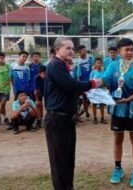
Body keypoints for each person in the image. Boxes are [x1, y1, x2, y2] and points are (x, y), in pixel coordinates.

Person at [44, 37, 100, 190]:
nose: (71, 51)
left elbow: (69, 89)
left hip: (66, 118)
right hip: (57, 119)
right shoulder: (55, 65)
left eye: (72, 48)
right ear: (57, 50)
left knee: (68, 156)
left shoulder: (62, 66)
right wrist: (93, 83)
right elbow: (70, 86)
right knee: (59, 159)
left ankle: (68, 186)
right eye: (67, 48)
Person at [100, 38, 133, 187]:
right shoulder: (113, 66)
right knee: (117, 139)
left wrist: (129, 99)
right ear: (119, 52)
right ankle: (118, 168)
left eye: (132, 50)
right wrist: (96, 83)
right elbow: (105, 80)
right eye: (127, 49)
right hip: (117, 109)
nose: (130, 52)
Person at [75, 45, 95, 120]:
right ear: (79, 52)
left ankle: (84, 110)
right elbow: (77, 73)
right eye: (83, 50)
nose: (85, 51)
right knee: (83, 98)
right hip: (82, 82)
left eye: (85, 50)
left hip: (91, 81)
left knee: (90, 97)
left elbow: (94, 67)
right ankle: (81, 112)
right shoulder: (77, 61)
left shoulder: (90, 58)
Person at [89, 58, 108, 125]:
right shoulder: (93, 72)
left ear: (102, 64)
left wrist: (104, 84)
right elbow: (90, 81)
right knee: (94, 104)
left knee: (102, 104)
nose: (99, 64)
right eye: (98, 63)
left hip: (102, 90)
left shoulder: (104, 72)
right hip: (94, 90)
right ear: (95, 64)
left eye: (100, 62)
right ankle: (95, 118)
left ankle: (102, 118)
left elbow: (106, 80)